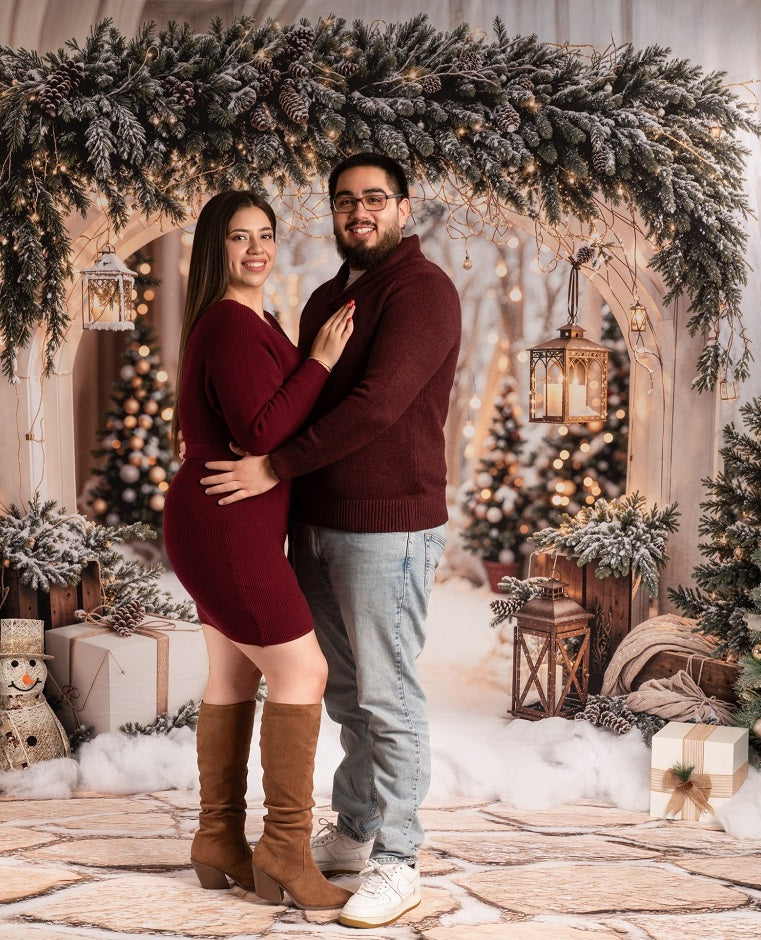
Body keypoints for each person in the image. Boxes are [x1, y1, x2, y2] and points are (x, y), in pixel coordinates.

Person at [201, 154, 462, 929]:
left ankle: (401, 860)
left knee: (388, 696)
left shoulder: (423, 292)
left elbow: (379, 406)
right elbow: (293, 400)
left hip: (389, 528)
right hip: (315, 524)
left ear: (404, 209)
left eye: (374, 200)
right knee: (342, 692)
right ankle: (353, 832)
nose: (359, 212)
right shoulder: (325, 297)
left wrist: (273, 465)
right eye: (345, 201)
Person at [162, 190, 356, 911]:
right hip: (226, 523)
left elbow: (260, 427)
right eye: (239, 237)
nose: (256, 249)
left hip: (219, 518)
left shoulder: (251, 318)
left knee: (233, 677)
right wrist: (321, 361)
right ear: (214, 249)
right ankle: (284, 851)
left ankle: (218, 840)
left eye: (266, 234)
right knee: (305, 668)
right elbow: (264, 428)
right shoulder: (229, 325)